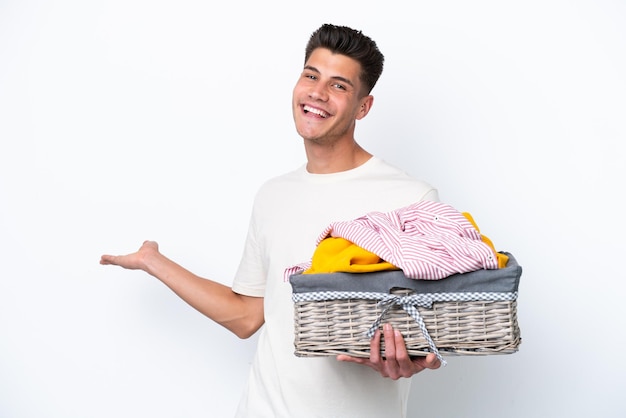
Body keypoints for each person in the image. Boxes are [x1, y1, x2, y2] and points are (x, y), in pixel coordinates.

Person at [100, 23, 442, 417]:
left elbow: (436, 329)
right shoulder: (273, 195)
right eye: (311, 76)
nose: (317, 92)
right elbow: (247, 316)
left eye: (339, 85)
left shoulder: (410, 197)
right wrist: (152, 261)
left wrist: (421, 357)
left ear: (363, 107)